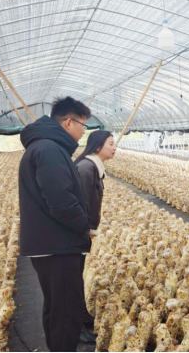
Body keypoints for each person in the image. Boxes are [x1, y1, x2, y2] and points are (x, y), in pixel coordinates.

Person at [19, 97, 92, 352]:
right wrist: (84, 225)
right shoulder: (49, 149)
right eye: (83, 125)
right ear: (68, 122)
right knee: (66, 313)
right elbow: (61, 201)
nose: (84, 132)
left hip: (51, 244)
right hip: (57, 246)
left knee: (57, 310)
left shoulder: (45, 146)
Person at [74, 130, 117, 334]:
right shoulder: (86, 168)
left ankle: (82, 318)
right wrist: (86, 230)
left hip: (81, 232)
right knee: (73, 277)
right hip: (75, 234)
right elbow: (80, 205)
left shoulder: (92, 167)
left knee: (76, 274)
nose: (114, 148)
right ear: (98, 146)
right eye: (111, 144)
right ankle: (80, 323)